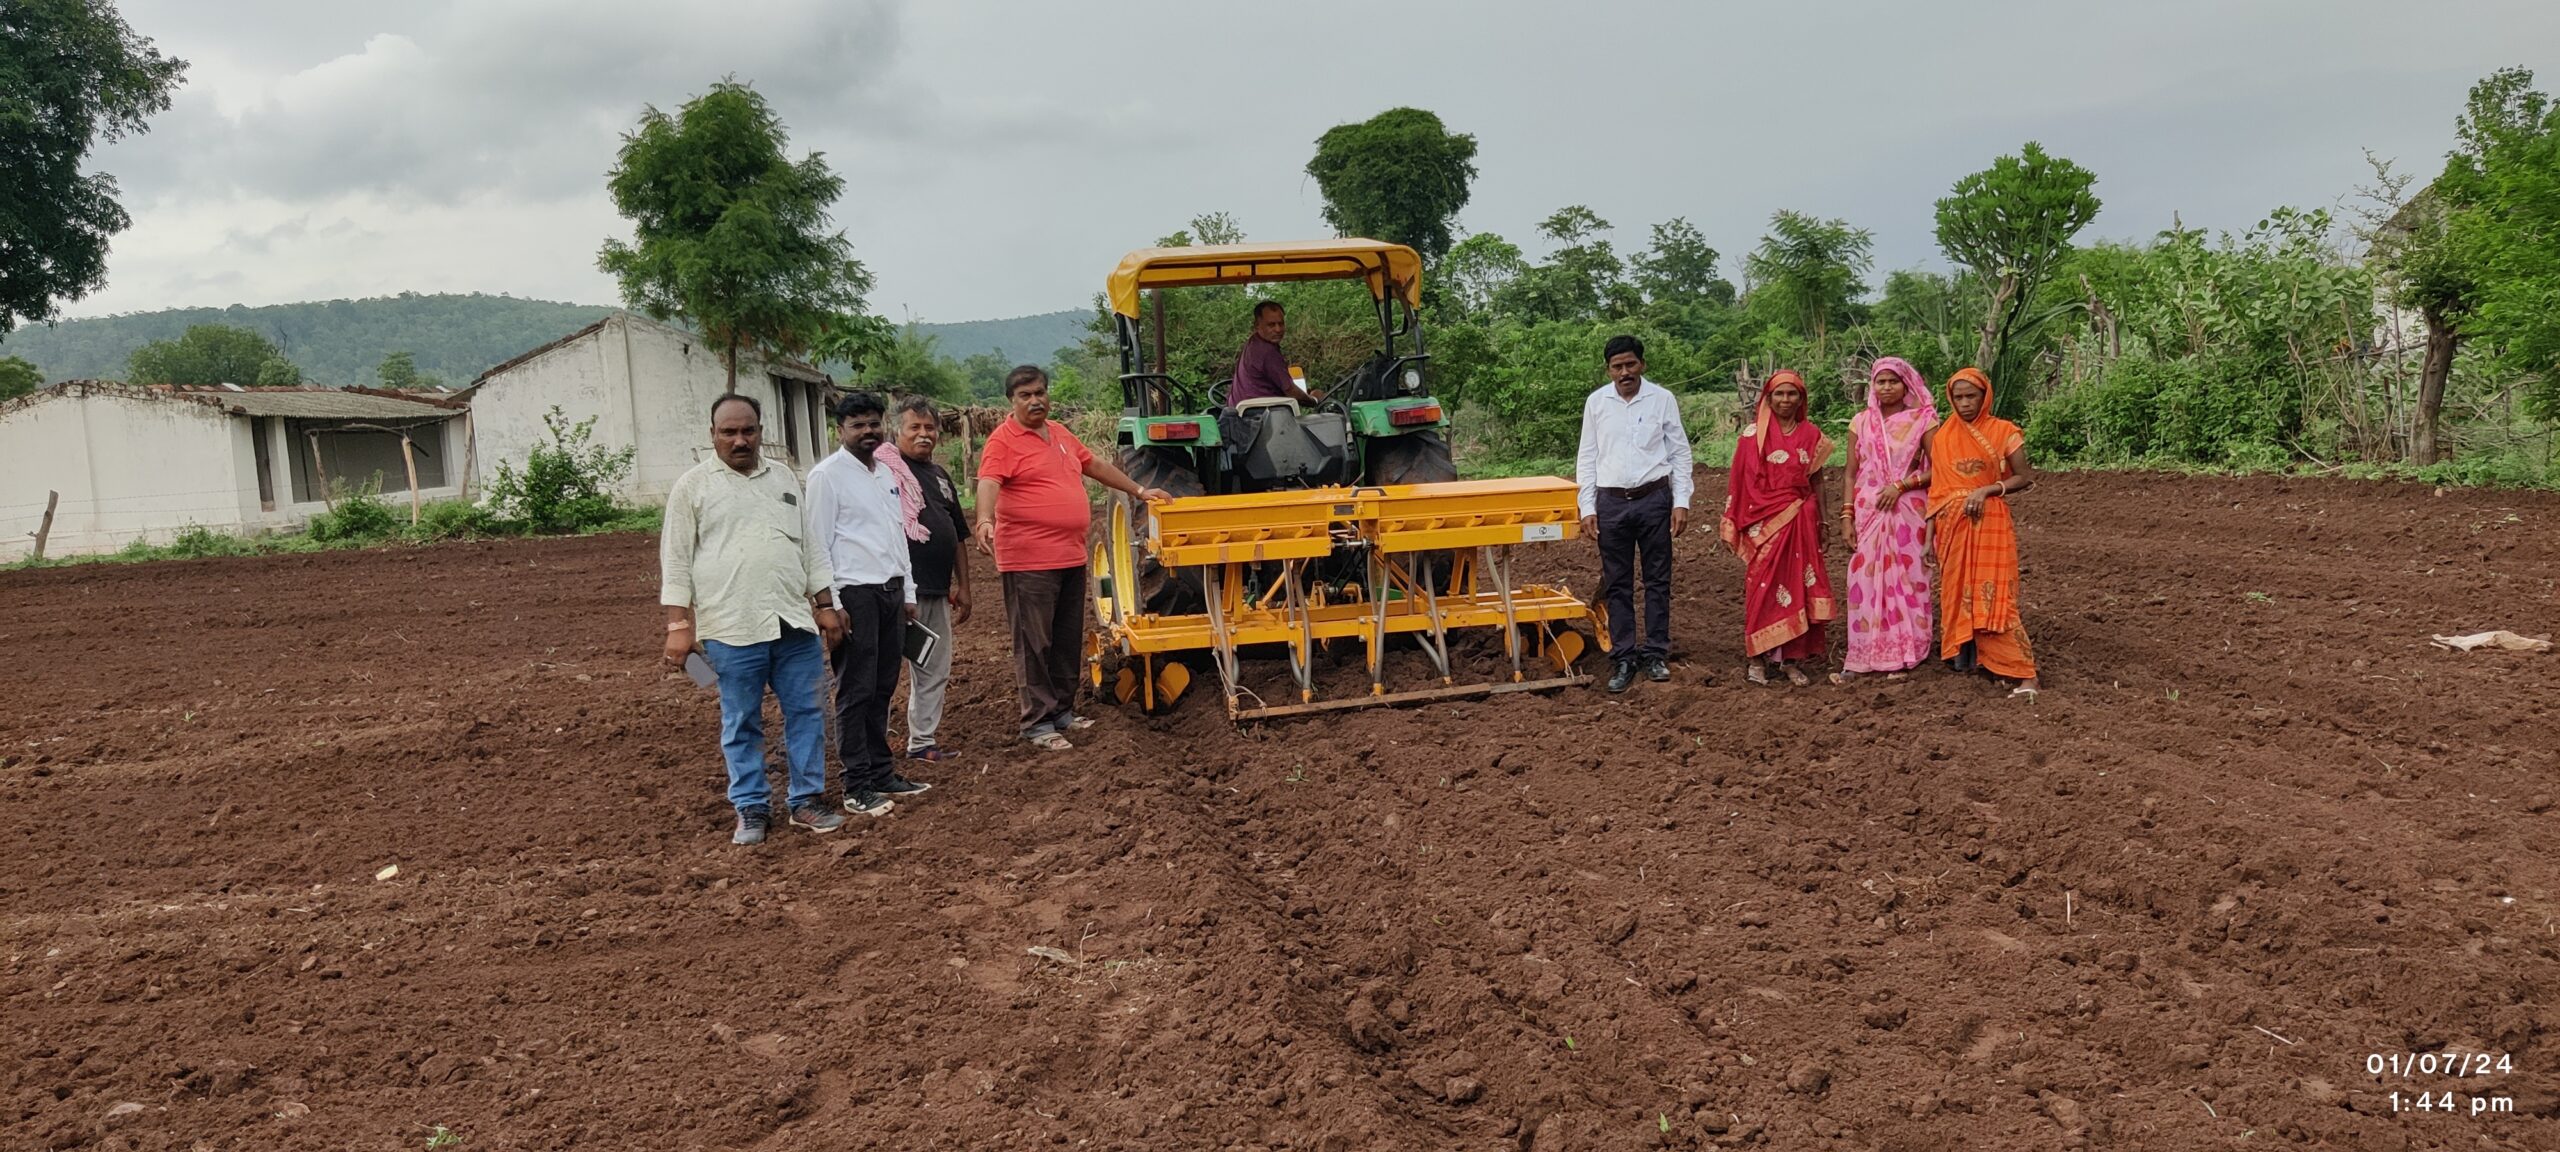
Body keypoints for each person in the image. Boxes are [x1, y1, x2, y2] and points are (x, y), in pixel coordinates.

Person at [661, 393, 848, 845]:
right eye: (729, 432)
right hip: (731, 626)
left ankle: (805, 801)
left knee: (806, 712)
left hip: (791, 622)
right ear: (713, 435)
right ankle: (751, 808)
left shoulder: (783, 479)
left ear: (762, 432)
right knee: (741, 720)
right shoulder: (693, 487)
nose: (740, 440)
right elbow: (676, 559)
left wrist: (826, 604)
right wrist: (678, 626)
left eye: (748, 430)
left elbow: (810, 548)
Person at [972, 365, 1171, 750]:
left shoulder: (1059, 433)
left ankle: (1062, 711)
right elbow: (989, 481)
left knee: (1065, 638)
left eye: (1040, 393)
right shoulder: (1003, 441)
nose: (1035, 401)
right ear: (1011, 401)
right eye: (1026, 395)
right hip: (1029, 560)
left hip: (1068, 555)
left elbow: (1093, 465)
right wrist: (983, 519)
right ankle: (1037, 723)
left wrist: (1140, 490)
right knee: (1034, 642)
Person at [806, 391, 924, 817]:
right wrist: (831, 604)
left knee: (882, 686)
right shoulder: (827, 477)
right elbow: (816, 545)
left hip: (890, 591)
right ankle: (856, 786)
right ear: (840, 431)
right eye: (857, 425)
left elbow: (897, 534)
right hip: (853, 594)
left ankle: (881, 772)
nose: (868, 431)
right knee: (855, 691)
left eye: (873, 423)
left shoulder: (887, 473)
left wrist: (908, 593)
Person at [1575, 334, 1694, 693]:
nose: (1624, 372)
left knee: (1658, 580)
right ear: (1608, 369)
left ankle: (1655, 653)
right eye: (1617, 366)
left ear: (1642, 364)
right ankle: (1624, 657)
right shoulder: (1597, 404)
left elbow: (1680, 453)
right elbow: (1587, 457)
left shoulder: (1662, 400)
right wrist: (1587, 506)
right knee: (1618, 583)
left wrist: (1681, 501)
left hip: (1653, 499)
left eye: (1630, 364)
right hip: (1611, 503)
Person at [1926, 367, 2041, 696]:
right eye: (1958, 397)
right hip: (1951, 528)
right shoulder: (1944, 436)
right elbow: (1937, 490)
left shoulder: (2004, 431)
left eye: (1971, 396)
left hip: (1989, 523)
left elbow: (2024, 476)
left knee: (1994, 599)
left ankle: (2024, 673)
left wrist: (1986, 490)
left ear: (1984, 396)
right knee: (1959, 594)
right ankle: (1980, 663)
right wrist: (1926, 538)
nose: (1964, 403)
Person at [1718, 369, 1836, 686]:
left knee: (1798, 587)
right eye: (1779, 394)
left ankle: (1791, 661)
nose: (1786, 400)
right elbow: (1740, 482)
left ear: (1801, 399)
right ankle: (1756, 659)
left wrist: (1824, 519)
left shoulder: (1811, 434)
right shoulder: (1752, 435)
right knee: (1763, 589)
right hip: (1764, 525)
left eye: (1792, 394)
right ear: (1769, 398)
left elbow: (1817, 480)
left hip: (1801, 521)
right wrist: (1750, 521)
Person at [1838, 357, 1938, 680]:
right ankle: (1866, 653)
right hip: (1869, 511)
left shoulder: (1923, 420)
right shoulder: (1860, 422)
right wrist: (1847, 514)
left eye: (1893, 381)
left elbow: (1939, 469)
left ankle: (1905, 653)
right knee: (1864, 577)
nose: (1886, 387)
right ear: (1872, 386)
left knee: (1908, 578)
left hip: (1908, 510)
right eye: (1880, 381)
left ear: (1906, 384)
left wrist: (1901, 485)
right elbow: (1851, 474)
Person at [891, 395, 971, 762]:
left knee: (934, 666)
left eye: (929, 428)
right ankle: (870, 749)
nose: (923, 434)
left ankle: (922, 741)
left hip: (935, 590)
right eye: (915, 427)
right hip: (892, 592)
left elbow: (956, 533)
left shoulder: (939, 476)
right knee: (883, 671)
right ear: (898, 431)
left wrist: (964, 586)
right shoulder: (885, 471)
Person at [1229, 300, 1317, 407]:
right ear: (1257, 326)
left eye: (1281, 324)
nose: (1278, 329)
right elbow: (1290, 391)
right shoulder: (1267, 351)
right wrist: (1314, 400)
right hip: (1258, 415)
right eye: (1271, 325)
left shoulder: (1253, 342)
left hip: (1241, 411)